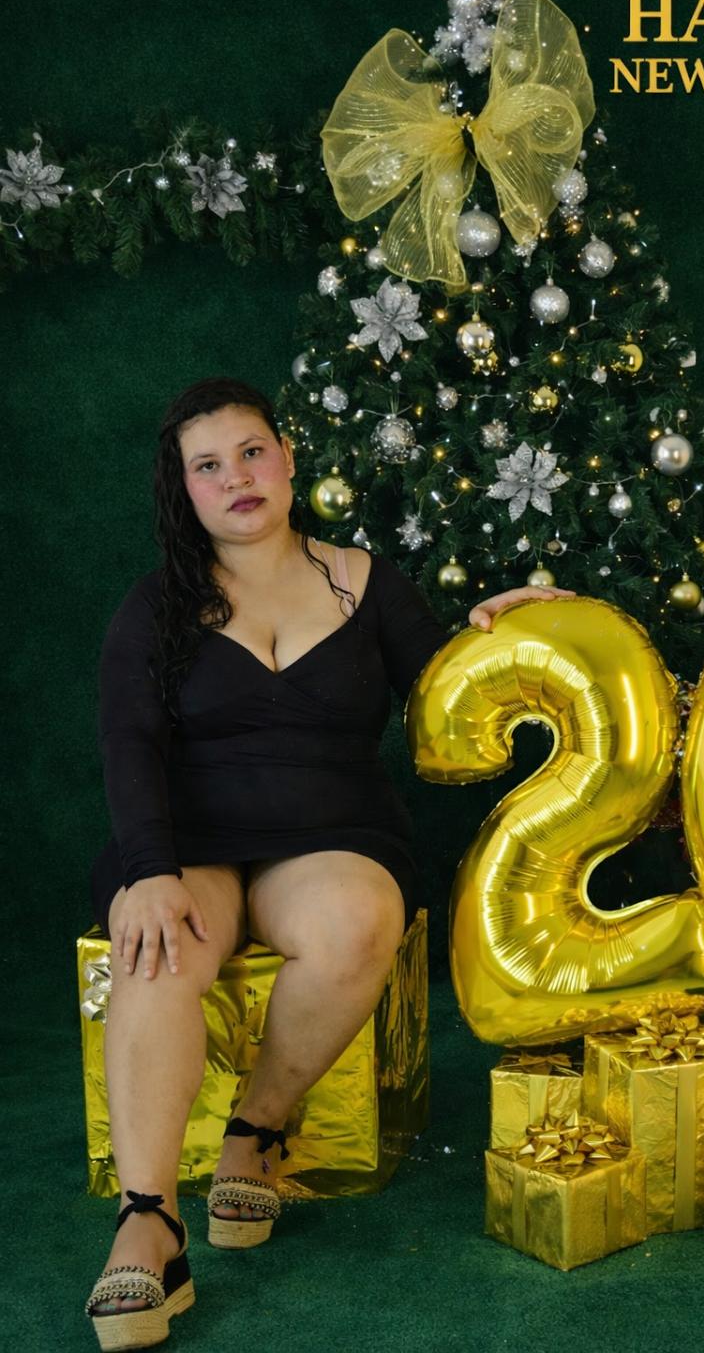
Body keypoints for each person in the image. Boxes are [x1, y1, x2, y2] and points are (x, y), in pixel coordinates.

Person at [83, 376, 574, 1349]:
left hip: (332, 832)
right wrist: (148, 869)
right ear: (184, 490)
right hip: (190, 843)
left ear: (288, 457)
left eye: (251, 452)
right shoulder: (157, 604)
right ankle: (149, 1218)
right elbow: (127, 742)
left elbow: (446, 697)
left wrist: (502, 633)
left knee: (359, 920)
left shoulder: (367, 581)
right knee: (160, 951)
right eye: (208, 466)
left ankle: (256, 1132)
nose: (237, 478)